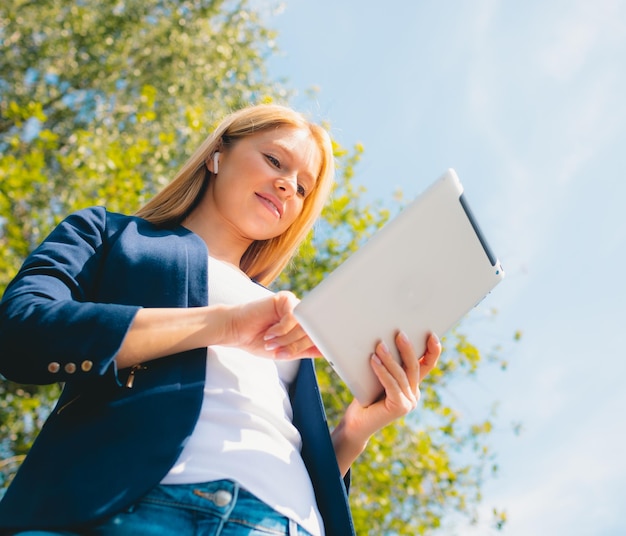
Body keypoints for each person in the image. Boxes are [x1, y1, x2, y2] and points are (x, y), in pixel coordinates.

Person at [0, 104, 441, 535]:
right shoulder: (110, 234)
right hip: (128, 505)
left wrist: (355, 431)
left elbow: (297, 458)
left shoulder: (284, 308)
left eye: (303, 188)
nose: (288, 186)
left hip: (282, 521)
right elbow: (22, 326)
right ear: (218, 154)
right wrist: (224, 326)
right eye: (274, 160)